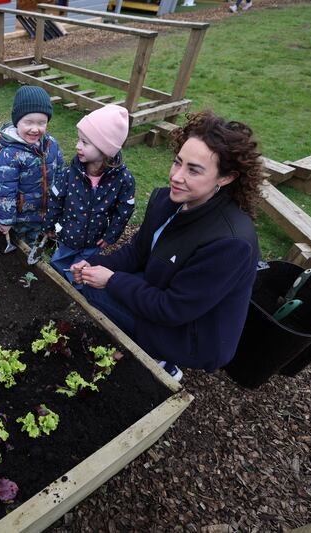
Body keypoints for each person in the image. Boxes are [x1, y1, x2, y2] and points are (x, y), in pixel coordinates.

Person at [72, 110, 264, 380]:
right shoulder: (168, 201)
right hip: (163, 290)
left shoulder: (231, 243)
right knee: (86, 280)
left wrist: (112, 280)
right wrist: (94, 265)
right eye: (178, 162)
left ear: (226, 178)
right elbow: (137, 252)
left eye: (193, 170)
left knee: (95, 292)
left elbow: (172, 309)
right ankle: (139, 342)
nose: (176, 176)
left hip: (193, 335)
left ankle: (163, 362)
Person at [44, 104, 135, 285]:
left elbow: (125, 209)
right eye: (79, 139)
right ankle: (53, 285)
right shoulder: (70, 173)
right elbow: (56, 199)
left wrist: (111, 235)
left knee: (81, 272)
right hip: (68, 235)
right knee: (59, 263)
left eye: (85, 142)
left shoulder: (123, 180)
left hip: (94, 240)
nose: (77, 146)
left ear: (105, 149)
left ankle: (74, 292)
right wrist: (50, 224)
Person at [0, 85, 66, 243]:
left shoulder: (51, 144)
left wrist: (60, 205)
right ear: (17, 122)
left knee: (36, 241)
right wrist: (6, 220)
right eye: (29, 122)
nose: (35, 129)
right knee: (21, 246)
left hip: (46, 212)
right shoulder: (9, 155)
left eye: (42, 123)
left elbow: (62, 173)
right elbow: (6, 191)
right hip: (21, 218)